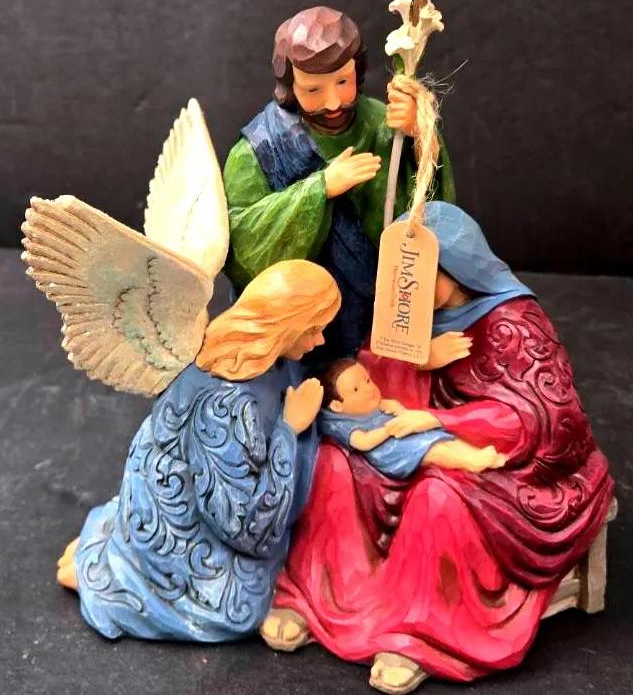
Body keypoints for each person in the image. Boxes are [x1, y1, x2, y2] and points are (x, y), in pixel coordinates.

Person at [262, 203, 614, 694]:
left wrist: (441, 419)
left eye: (419, 275)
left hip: (506, 463)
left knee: (437, 495)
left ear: (454, 266)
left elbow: (546, 419)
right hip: (401, 432)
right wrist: (417, 360)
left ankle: (418, 634)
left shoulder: (515, 322)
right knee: (333, 463)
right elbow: (368, 378)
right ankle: (320, 599)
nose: (407, 290)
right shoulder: (410, 317)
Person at [56, 261, 341, 642]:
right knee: (238, 605)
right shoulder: (227, 402)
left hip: (201, 498)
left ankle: (114, 554)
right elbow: (242, 525)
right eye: (312, 330)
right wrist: (289, 430)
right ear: (284, 325)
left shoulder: (270, 362)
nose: (319, 341)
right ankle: (118, 576)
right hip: (189, 532)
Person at [223, 6, 455, 357]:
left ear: (357, 72)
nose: (332, 102)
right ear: (289, 85)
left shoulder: (385, 125)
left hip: (379, 314)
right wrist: (320, 188)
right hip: (300, 336)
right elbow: (240, 246)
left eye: (343, 83)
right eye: (313, 89)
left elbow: (434, 205)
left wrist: (419, 136)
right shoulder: (260, 148)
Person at [317, 358, 506, 476]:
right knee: (433, 450)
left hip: (404, 436)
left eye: (368, 380)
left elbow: (401, 414)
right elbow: (363, 443)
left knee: (442, 437)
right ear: (337, 406)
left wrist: (398, 410)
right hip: (392, 452)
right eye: (356, 389)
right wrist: (387, 430)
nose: (368, 389)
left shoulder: (378, 405)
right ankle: (471, 462)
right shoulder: (344, 425)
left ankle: (477, 453)